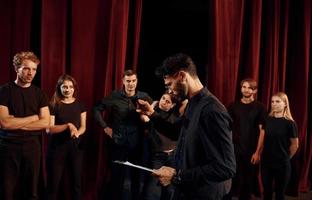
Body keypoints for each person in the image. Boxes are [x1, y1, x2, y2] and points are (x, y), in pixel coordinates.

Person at [136, 53, 236, 200]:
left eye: (169, 84)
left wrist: (177, 175)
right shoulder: (193, 103)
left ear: (182, 76)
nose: (169, 91)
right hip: (188, 190)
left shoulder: (212, 111)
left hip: (205, 194)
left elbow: (225, 168)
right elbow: (176, 131)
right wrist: (151, 113)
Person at [93, 69, 153, 200]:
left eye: (133, 81)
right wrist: (105, 128)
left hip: (137, 144)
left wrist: (147, 123)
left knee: (136, 179)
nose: (131, 84)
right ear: (123, 82)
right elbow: (97, 109)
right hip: (118, 143)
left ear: (137, 81)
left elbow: (153, 115)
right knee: (116, 178)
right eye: (128, 81)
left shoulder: (144, 97)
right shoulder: (114, 96)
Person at [0, 51, 50, 200]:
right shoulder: (3, 91)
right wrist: (34, 118)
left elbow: (46, 123)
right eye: (26, 68)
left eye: (34, 69)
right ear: (17, 69)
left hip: (32, 147)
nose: (31, 73)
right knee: (6, 191)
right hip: (7, 147)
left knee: (31, 192)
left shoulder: (40, 94)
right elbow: (4, 123)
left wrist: (16, 122)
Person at [46, 74, 87, 200]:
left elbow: (83, 126)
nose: (68, 90)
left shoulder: (80, 105)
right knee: (53, 184)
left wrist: (77, 133)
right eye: (65, 87)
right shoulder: (53, 105)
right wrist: (68, 126)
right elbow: (49, 129)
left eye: (70, 87)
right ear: (60, 88)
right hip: (57, 148)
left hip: (76, 148)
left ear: (74, 88)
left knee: (76, 184)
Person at [141, 92, 186, 200]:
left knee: (169, 190)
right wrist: (152, 106)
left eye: (168, 101)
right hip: (158, 157)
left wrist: (175, 96)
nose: (164, 102)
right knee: (150, 191)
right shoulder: (154, 113)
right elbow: (144, 118)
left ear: (173, 105)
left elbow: (185, 102)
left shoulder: (175, 115)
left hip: (173, 157)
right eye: (163, 98)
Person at [227, 78, 266, 200]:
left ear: (254, 91)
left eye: (250, 87)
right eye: (244, 87)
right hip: (235, 149)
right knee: (233, 181)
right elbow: (227, 128)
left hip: (251, 150)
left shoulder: (260, 107)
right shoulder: (233, 106)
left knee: (248, 183)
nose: (246, 89)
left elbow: (263, 131)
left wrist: (258, 152)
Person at [261, 92, 299, 200]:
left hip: (282, 164)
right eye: (272, 101)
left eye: (278, 101)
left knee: (279, 195)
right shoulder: (267, 120)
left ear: (285, 104)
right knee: (266, 193)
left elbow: (295, 145)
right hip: (266, 163)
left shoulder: (290, 123)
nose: (274, 104)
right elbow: (263, 139)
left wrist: (285, 158)